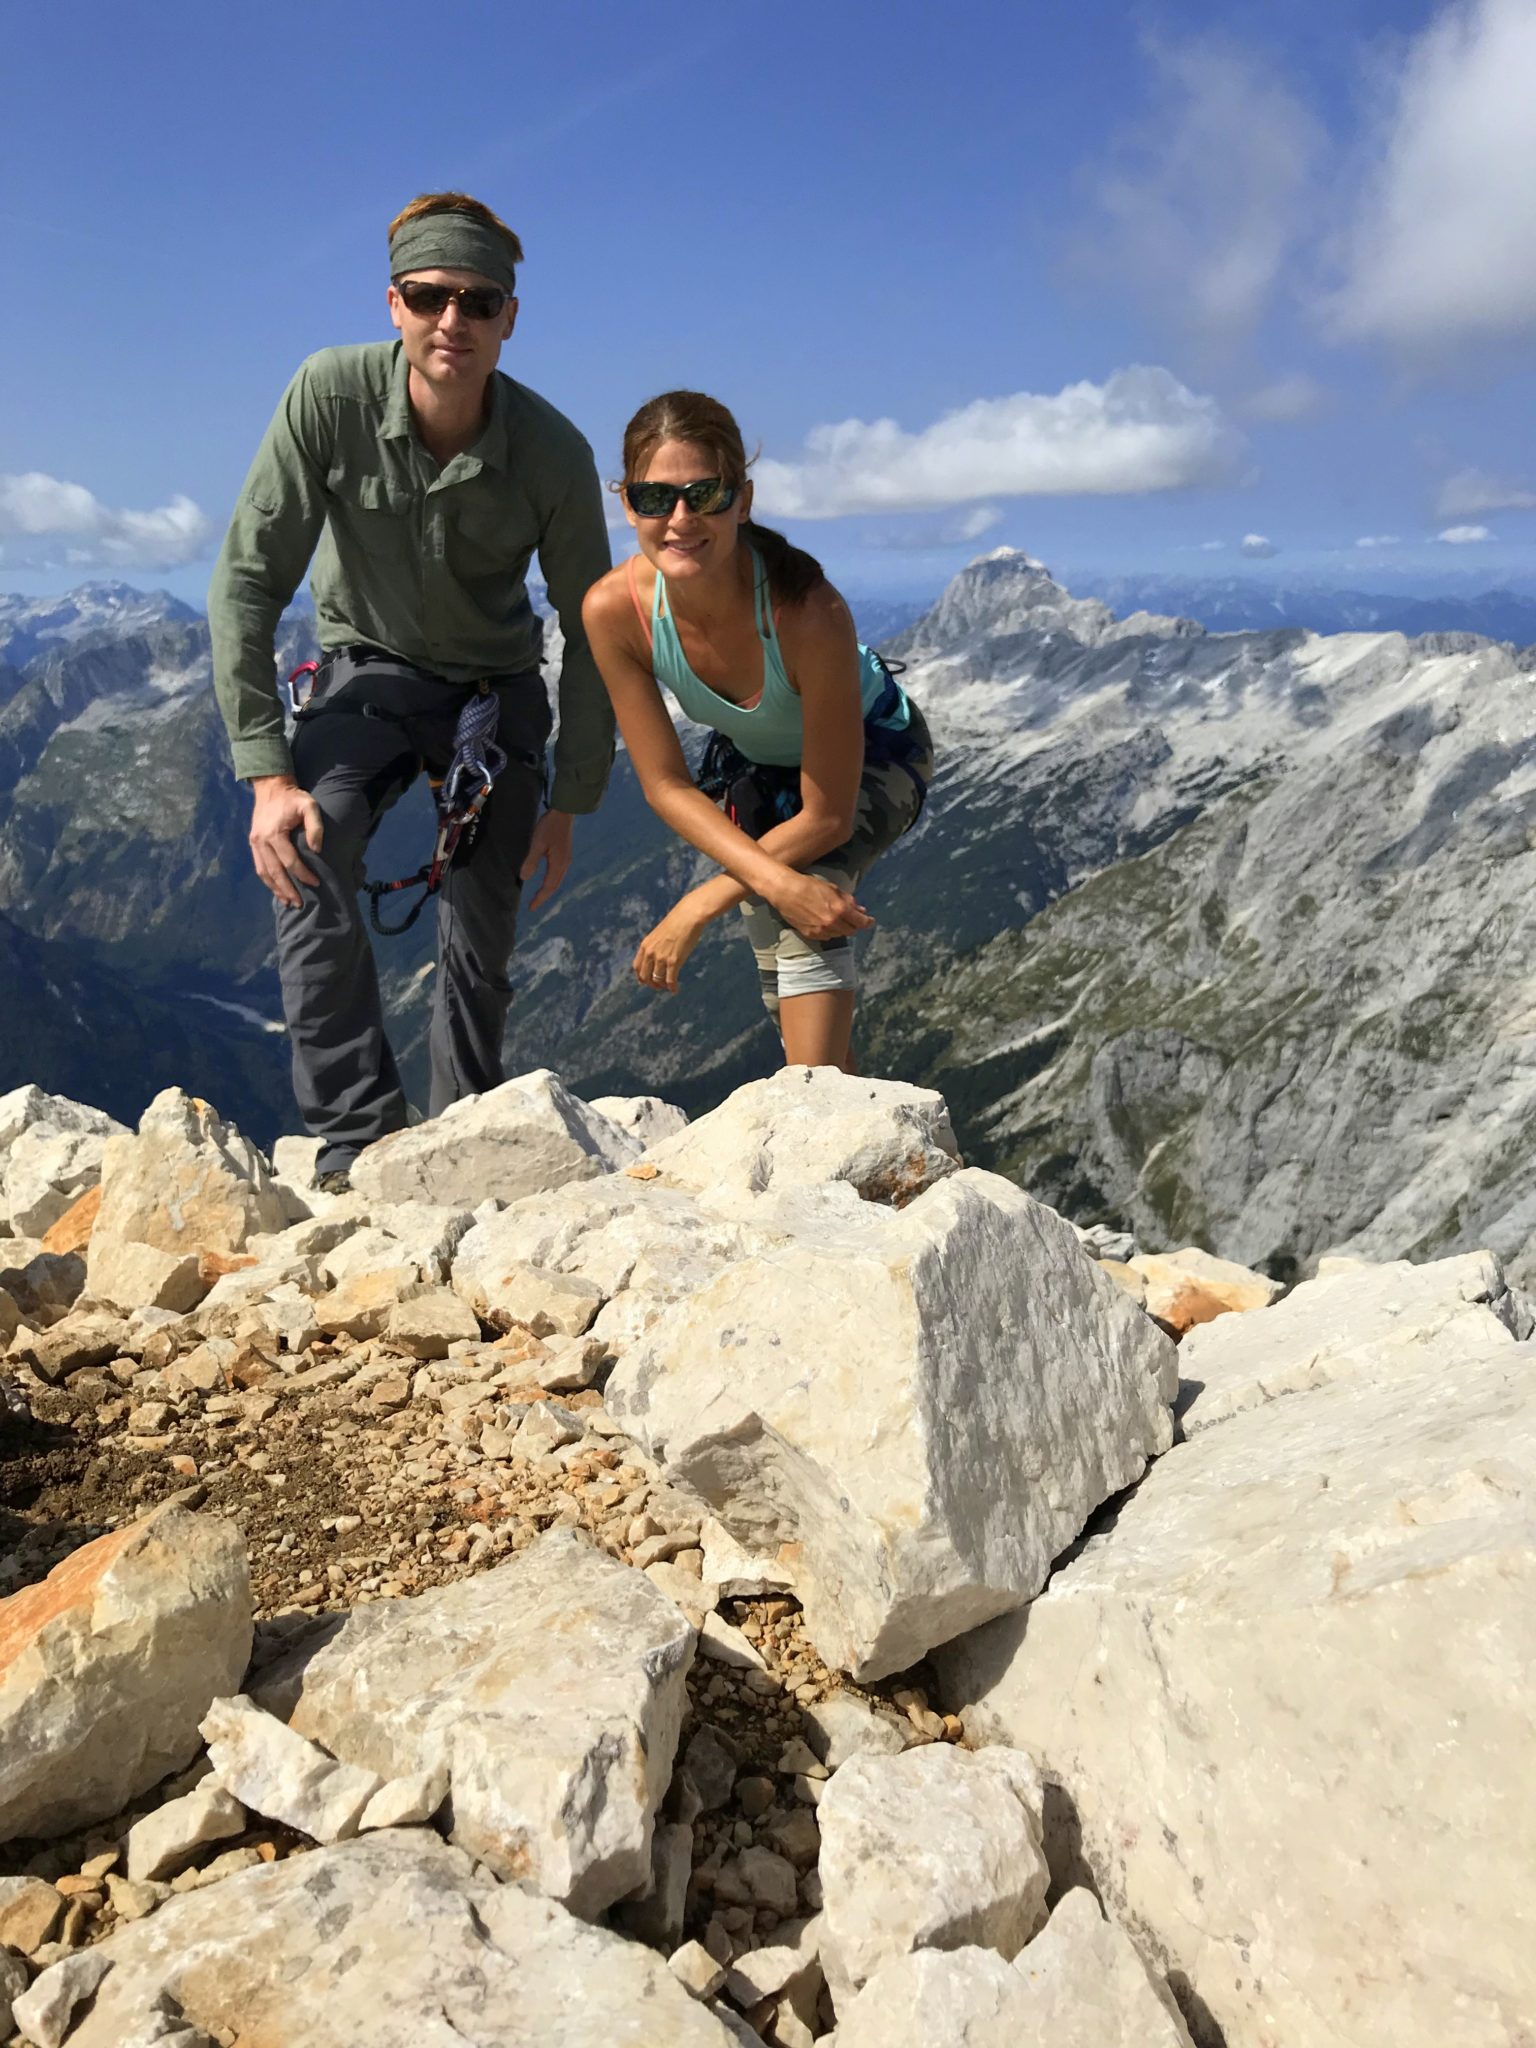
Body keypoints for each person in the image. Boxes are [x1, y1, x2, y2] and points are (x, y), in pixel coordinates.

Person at [208, 191, 613, 1192]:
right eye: (430, 296)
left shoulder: (553, 452)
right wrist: (266, 774)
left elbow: (598, 629)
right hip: (366, 667)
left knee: (485, 892)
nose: (453, 322)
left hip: (494, 685)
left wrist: (569, 800)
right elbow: (247, 581)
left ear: (510, 318)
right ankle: (358, 1136)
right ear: (393, 302)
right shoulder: (328, 396)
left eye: (479, 302)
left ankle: (465, 1131)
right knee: (309, 842)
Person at [582, 391, 933, 1071]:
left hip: (875, 750)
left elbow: (828, 816)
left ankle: (818, 1122)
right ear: (627, 504)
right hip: (758, 761)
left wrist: (700, 902)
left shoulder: (809, 613)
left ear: (742, 499)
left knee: (803, 898)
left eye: (703, 494)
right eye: (655, 499)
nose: (679, 519)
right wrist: (764, 883)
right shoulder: (611, 611)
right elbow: (662, 783)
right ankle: (855, 1122)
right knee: (778, 919)